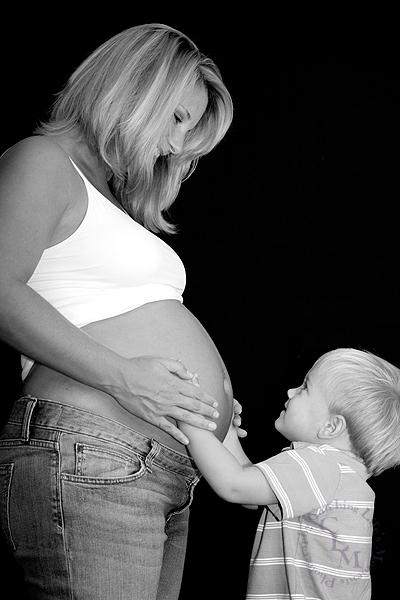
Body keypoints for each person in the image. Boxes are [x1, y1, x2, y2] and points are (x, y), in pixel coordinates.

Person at [0, 23, 242, 600]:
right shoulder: (43, 160)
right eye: (176, 118)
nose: (177, 145)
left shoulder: (113, 200)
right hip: (94, 450)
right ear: (133, 89)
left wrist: (208, 403)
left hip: (154, 466)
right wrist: (126, 377)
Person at [180, 348, 400, 599]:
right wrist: (227, 431)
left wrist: (188, 415)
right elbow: (250, 491)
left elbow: (234, 485)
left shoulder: (319, 465)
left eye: (305, 388)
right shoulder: (340, 474)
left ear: (331, 426)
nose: (290, 392)